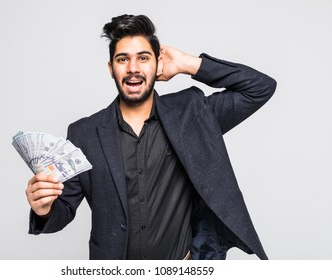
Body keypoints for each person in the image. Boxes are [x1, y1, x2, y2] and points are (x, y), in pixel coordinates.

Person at [25, 14, 276, 260]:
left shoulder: (192, 113)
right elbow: (62, 212)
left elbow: (259, 88)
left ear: (157, 64)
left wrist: (188, 63)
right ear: (111, 69)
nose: (133, 68)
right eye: (123, 59)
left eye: (143, 58)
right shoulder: (84, 134)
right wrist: (43, 209)